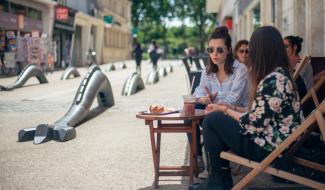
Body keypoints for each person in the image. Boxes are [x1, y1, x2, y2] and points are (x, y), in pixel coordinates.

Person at [189, 26, 303, 190]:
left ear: (262, 50)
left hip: (267, 146)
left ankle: (217, 182)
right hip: (275, 141)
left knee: (212, 121)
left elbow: (255, 123)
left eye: (253, 48)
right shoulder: (279, 75)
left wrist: (226, 110)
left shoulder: (273, 80)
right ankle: (219, 180)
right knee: (215, 119)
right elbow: (259, 114)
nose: (250, 53)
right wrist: (224, 108)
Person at [190, 27, 249, 175]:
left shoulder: (240, 69)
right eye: (211, 50)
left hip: (236, 115)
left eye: (219, 50)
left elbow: (232, 99)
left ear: (228, 50)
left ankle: (216, 170)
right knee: (191, 108)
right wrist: (204, 99)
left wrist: (213, 102)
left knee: (208, 116)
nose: (214, 54)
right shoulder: (207, 71)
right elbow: (198, 92)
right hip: (214, 112)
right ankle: (197, 156)